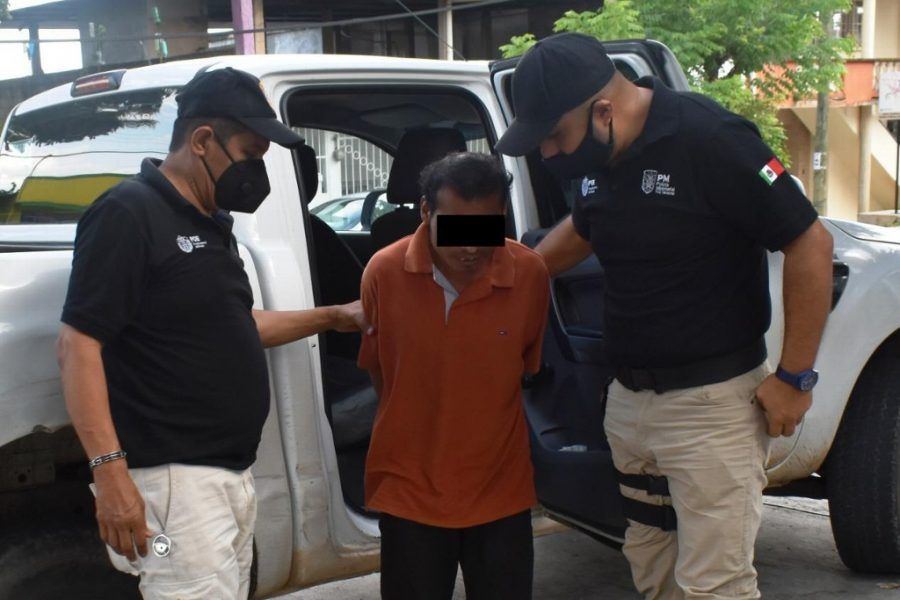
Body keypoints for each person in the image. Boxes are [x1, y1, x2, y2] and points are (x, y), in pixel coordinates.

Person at [495, 33, 833, 600]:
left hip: (710, 408)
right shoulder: (602, 156)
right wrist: (514, 273)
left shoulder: (711, 138)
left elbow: (811, 243)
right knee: (652, 569)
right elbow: (584, 226)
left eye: (554, 136)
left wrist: (795, 377)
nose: (548, 153)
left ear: (604, 110)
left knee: (714, 586)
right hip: (630, 405)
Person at [56, 67, 370, 600]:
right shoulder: (128, 212)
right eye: (249, 153)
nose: (256, 171)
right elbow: (78, 345)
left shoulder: (212, 223)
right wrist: (110, 477)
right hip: (175, 487)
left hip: (227, 476)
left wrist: (333, 316)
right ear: (202, 140)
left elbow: (236, 325)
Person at [358, 152, 550, 600]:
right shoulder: (384, 273)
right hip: (409, 490)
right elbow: (382, 374)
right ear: (426, 212)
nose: (471, 248)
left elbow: (523, 365)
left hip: (500, 490)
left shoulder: (529, 274)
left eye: (485, 229)